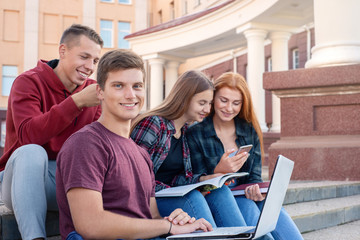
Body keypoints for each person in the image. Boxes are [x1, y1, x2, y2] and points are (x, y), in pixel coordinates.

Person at [56, 49, 212, 240]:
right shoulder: (86, 143)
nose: (131, 95)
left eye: (137, 86)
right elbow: (90, 224)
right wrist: (166, 226)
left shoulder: (141, 154)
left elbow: (151, 216)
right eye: (119, 86)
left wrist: (176, 221)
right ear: (100, 92)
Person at [0, 24, 103, 240]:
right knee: (31, 152)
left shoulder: (94, 91)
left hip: (66, 179)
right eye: (84, 57)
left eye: (94, 60)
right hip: (20, 179)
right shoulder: (28, 82)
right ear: (63, 51)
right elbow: (28, 136)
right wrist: (76, 102)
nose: (89, 66)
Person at [186, 72, 303, 240]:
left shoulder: (248, 130)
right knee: (254, 218)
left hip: (244, 194)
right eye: (223, 100)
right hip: (218, 197)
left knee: (280, 220)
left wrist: (257, 189)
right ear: (213, 98)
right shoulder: (196, 133)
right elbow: (196, 183)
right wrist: (220, 170)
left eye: (236, 103)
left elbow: (254, 176)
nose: (229, 108)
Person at [130, 70, 249, 229]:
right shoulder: (153, 124)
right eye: (202, 103)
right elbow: (134, 176)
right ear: (185, 99)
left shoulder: (184, 131)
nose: (207, 109)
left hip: (169, 194)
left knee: (221, 192)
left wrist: (203, 180)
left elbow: (174, 179)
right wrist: (175, 190)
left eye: (209, 103)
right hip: (147, 200)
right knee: (193, 197)